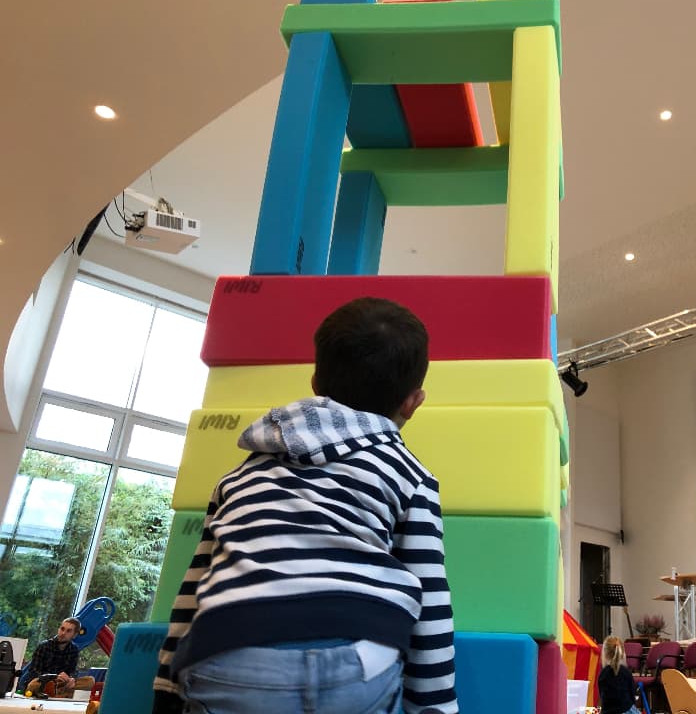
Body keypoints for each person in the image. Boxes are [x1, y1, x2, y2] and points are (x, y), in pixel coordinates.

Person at [152, 297, 457, 714]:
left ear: (315, 382)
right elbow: (431, 605)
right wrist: (435, 709)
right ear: (413, 402)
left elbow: (192, 590)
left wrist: (165, 691)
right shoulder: (410, 475)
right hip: (353, 660)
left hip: (227, 652)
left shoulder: (241, 476)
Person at [24, 617, 95, 697]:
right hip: (43, 682)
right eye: (62, 629)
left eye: (68, 631)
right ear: (59, 629)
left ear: (74, 635)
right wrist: (54, 677)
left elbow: (72, 671)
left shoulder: (74, 650)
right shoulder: (44, 646)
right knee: (33, 684)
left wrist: (72, 679)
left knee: (90, 681)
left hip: (61, 684)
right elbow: (34, 672)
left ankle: (57, 692)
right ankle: (59, 693)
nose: (63, 633)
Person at [598, 636, 639, 714]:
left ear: (605, 654)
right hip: (626, 710)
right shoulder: (626, 672)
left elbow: (602, 697)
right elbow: (632, 696)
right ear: (622, 653)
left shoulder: (603, 674)